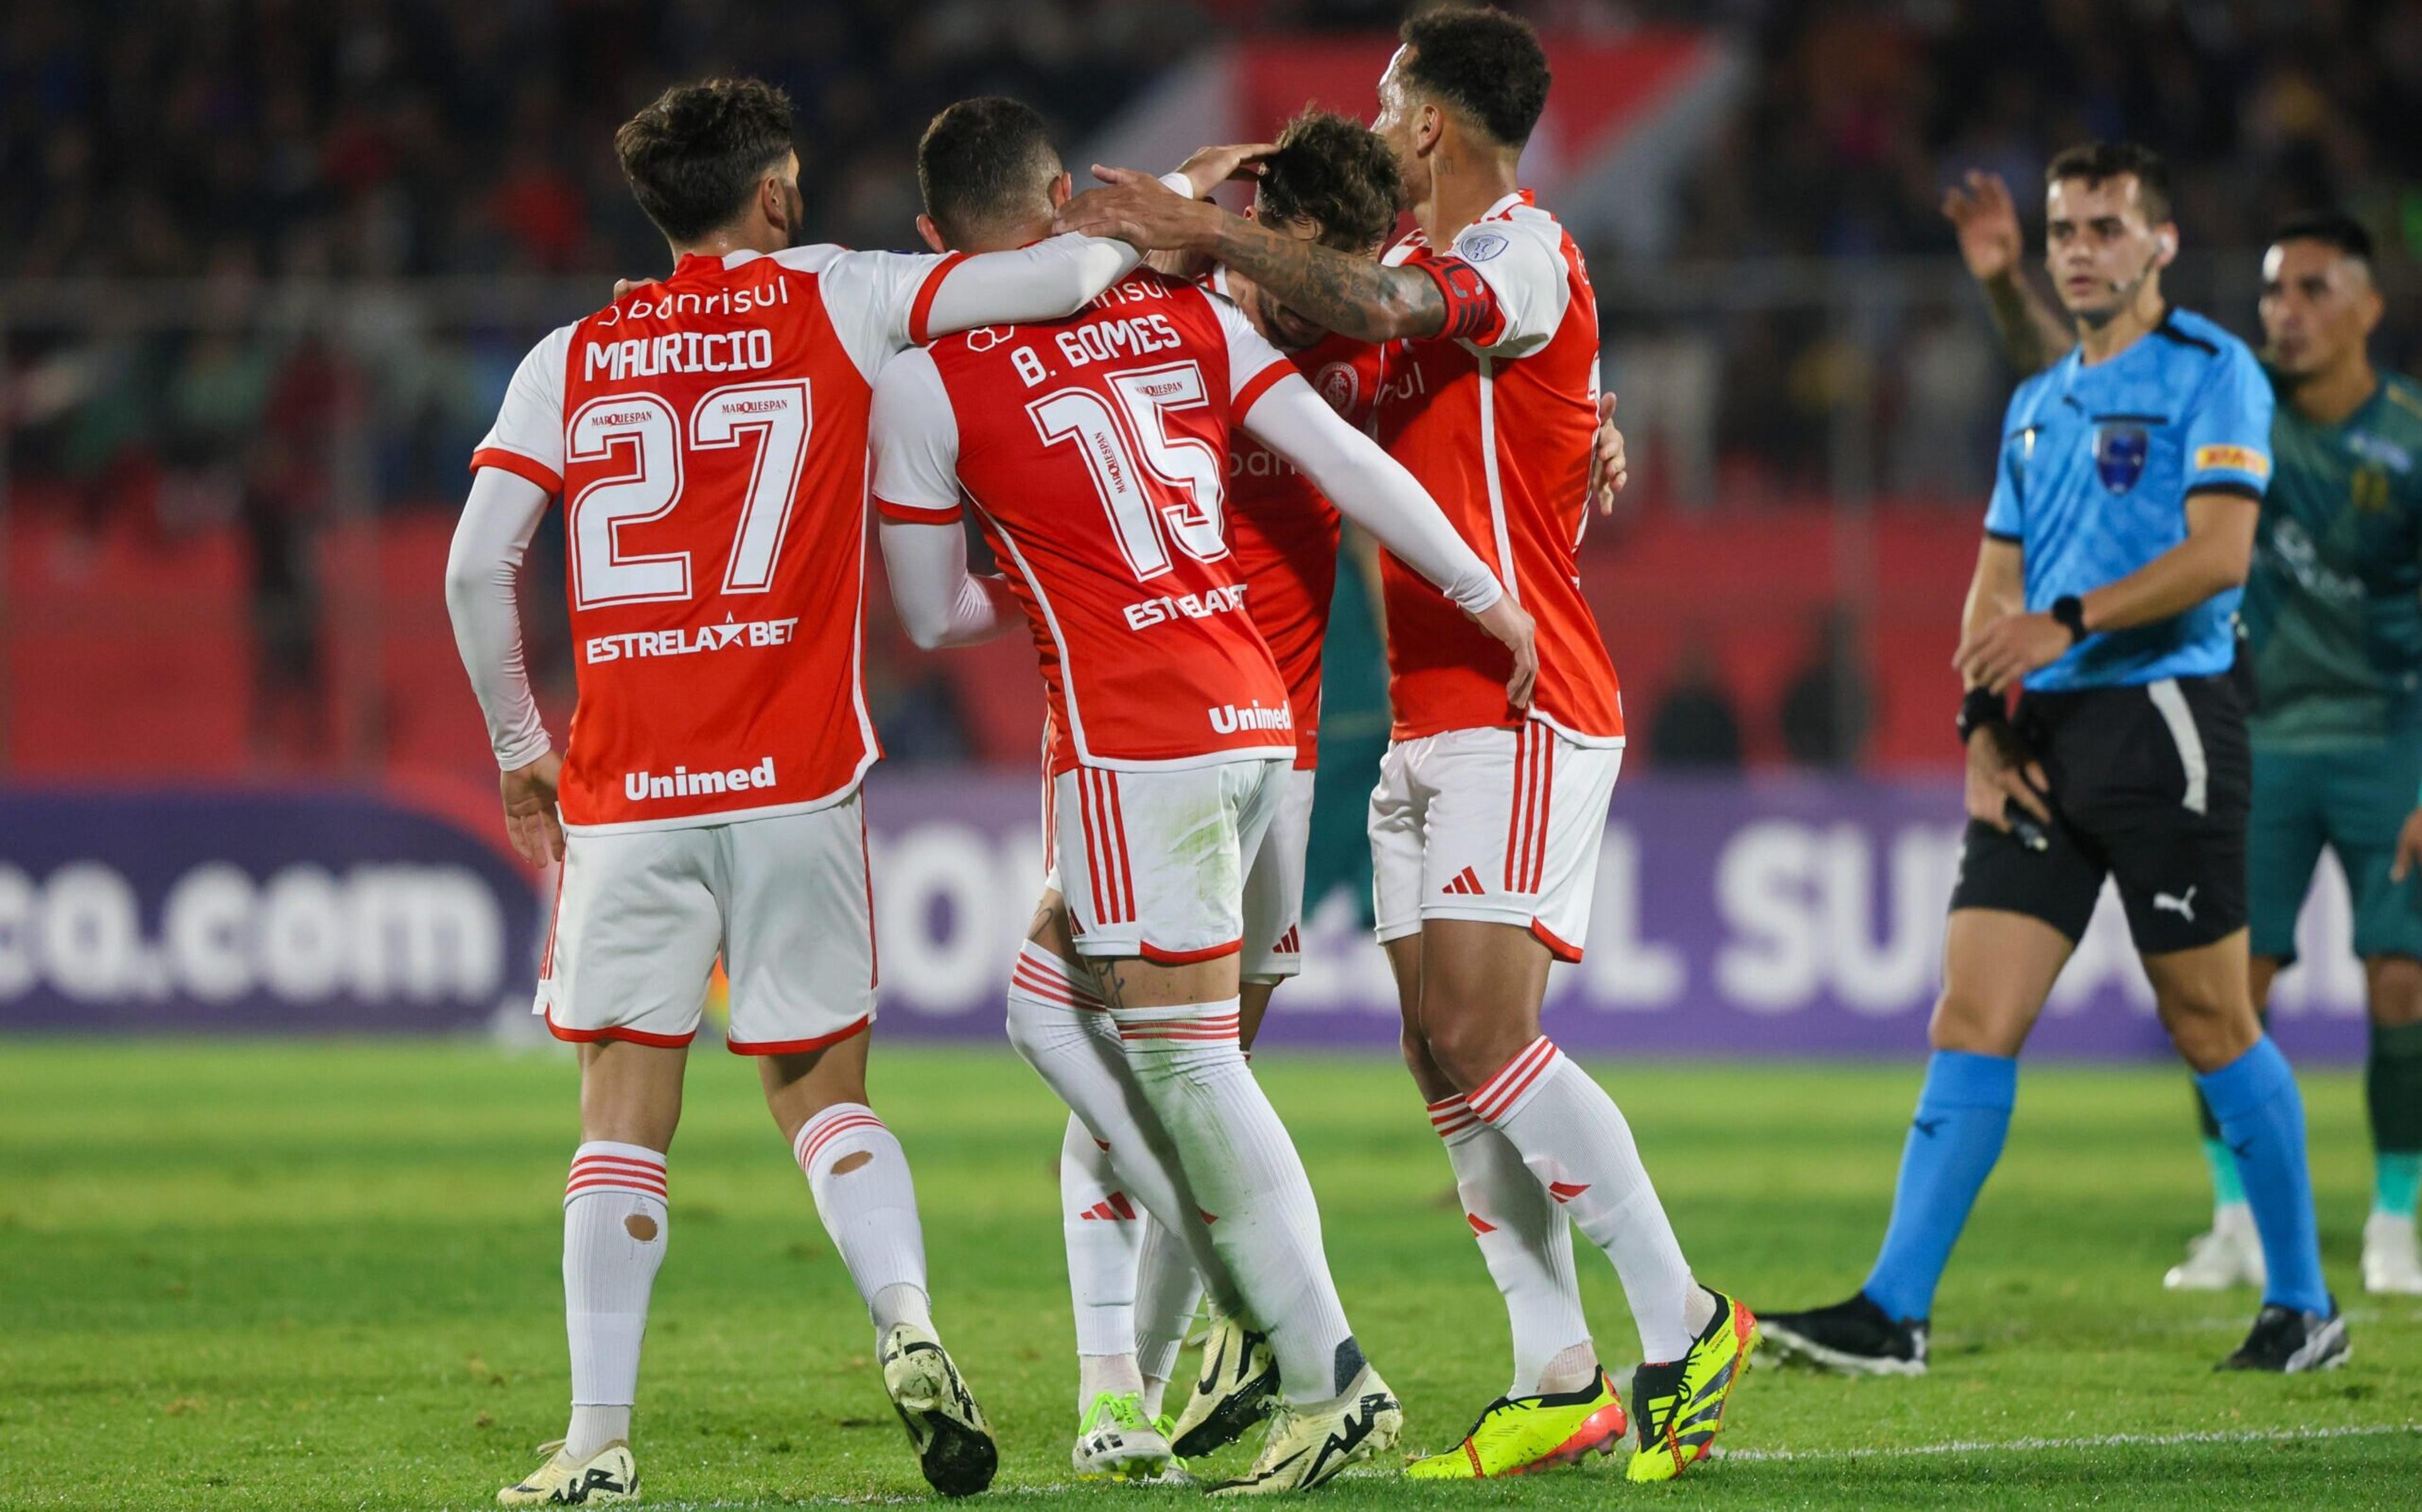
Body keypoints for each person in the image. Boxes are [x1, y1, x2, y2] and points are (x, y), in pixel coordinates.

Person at [1053, 6, 1753, 1482]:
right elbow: (1353, 351)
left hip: (1527, 698)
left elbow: (1376, 323)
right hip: (1428, 724)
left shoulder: (1518, 253)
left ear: (1432, 120)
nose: (1370, 118)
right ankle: (1555, 1364)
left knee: (1492, 1037)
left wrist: (1211, 229)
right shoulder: (1408, 280)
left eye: (1386, 97)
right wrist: (1207, 219)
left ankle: (1686, 1319)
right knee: (1439, 1053)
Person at [443, 76, 1154, 1506]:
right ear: (774, 191)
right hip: (797, 779)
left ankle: (595, 1438)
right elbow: (1066, 275)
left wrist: (524, 745)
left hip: (630, 790)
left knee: (620, 1116)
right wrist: (1151, 225)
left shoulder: (567, 356)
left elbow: (474, 569)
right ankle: (907, 1321)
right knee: (823, 1093)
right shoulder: (840, 292)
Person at [870, 94, 1534, 1495]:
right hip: (1257, 719)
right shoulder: (1194, 322)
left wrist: (1051, 586)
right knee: (1062, 1012)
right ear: (1069, 195)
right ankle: (1188, 1352)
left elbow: (931, 617)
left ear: (935, 241)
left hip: (1137, 734)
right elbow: (1352, 465)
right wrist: (1485, 588)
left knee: (1184, 1068)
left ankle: (1316, 1362)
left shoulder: (928, 380)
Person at [1762, 142, 2347, 1378]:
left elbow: (2220, 556)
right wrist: (1981, 719)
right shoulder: (2038, 403)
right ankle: (1893, 1308)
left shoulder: (2215, 372)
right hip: (2043, 737)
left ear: (2162, 243)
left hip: (2168, 716)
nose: (2082, 247)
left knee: (2210, 1017)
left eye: (2105, 226)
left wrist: (2066, 625)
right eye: (2066, 228)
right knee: (1972, 1009)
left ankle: (2303, 1301)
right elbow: (1994, 584)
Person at [1946, 173, 2422, 1297]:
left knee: (2401, 978)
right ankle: (2236, 1223)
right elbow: (2071, 376)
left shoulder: (2398, 438)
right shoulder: (2227, 395)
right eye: (2272, 291)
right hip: (2260, 726)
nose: (2284, 311)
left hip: (2391, 733)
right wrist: (2006, 282)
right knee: (2221, 989)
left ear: (2366, 309)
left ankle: (2398, 1218)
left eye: (2313, 291)